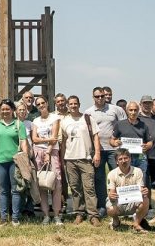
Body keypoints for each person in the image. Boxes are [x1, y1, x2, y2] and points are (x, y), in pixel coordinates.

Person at [83, 86, 126, 216]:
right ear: (93, 97)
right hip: (98, 150)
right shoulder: (88, 112)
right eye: (97, 96)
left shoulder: (116, 110)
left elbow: (124, 126)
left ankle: (122, 205)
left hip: (114, 149)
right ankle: (102, 206)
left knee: (120, 176)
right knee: (99, 178)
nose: (100, 98)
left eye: (102, 96)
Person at [59, 95, 101, 226]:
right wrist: (62, 160)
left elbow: (95, 137)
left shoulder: (87, 118)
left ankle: (93, 215)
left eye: (75, 103)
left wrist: (97, 154)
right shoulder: (64, 121)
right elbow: (64, 142)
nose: (73, 106)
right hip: (70, 159)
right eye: (70, 104)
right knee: (75, 188)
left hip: (86, 158)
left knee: (89, 188)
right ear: (67, 105)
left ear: (79, 104)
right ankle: (79, 213)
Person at [0, 99, 28, 225]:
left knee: (15, 190)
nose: (5, 111)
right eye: (3, 109)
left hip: (14, 161)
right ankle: (4, 218)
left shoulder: (19, 124)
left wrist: (25, 156)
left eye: (7, 109)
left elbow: (23, 141)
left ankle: (15, 218)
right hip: (0, 161)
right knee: (3, 191)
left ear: (12, 110)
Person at [31, 96, 62, 225]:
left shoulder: (55, 118)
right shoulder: (35, 120)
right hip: (38, 152)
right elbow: (34, 139)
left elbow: (54, 138)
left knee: (56, 183)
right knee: (42, 183)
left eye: (43, 103)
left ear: (47, 103)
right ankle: (45, 215)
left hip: (52, 151)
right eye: (38, 104)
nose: (41, 105)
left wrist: (48, 151)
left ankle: (56, 215)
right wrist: (47, 139)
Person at [106, 148, 150, 233]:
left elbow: (141, 189)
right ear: (116, 161)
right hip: (118, 201)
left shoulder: (138, 171)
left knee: (146, 199)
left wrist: (144, 191)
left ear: (130, 159)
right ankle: (116, 221)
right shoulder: (111, 174)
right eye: (120, 159)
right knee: (110, 208)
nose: (123, 161)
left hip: (132, 201)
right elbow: (111, 193)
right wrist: (111, 196)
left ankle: (136, 224)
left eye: (126, 158)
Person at [110, 101, 151, 172]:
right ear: (126, 111)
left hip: (140, 157)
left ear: (138, 111)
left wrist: (147, 146)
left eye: (135, 110)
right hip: (124, 158)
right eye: (131, 110)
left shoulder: (144, 125)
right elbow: (111, 140)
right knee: (125, 180)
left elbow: (150, 142)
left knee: (140, 180)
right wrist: (115, 143)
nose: (133, 112)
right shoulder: (120, 124)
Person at [138, 95, 155, 209]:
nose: (147, 105)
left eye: (149, 103)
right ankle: (147, 208)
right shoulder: (137, 119)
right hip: (143, 156)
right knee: (145, 183)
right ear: (141, 104)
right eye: (145, 103)